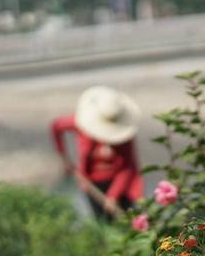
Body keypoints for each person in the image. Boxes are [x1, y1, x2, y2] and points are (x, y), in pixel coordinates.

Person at [51, 86, 143, 221]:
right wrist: (64, 157)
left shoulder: (124, 135)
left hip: (119, 183)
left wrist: (113, 195)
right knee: (102, 221)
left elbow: (127, 167)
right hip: (91, 183)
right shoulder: (81, 124)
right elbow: (56, 126)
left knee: (128, 219)